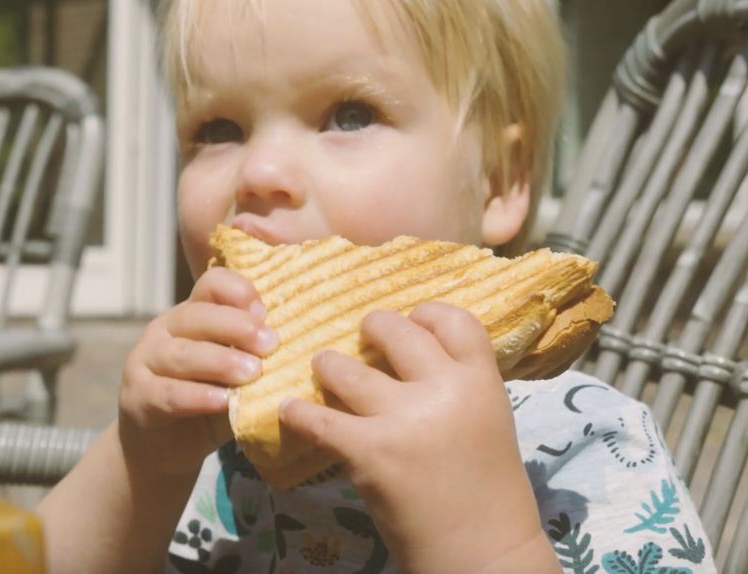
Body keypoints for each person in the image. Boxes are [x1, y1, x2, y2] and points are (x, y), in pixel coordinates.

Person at [39, 1, 715, 572]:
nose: (260, 172)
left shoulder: (584, 442)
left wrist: (485, 539)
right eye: (218, 130)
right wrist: (137, 468)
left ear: (498, 179)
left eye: (350, 115)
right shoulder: (208, 443)